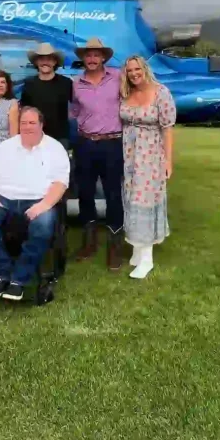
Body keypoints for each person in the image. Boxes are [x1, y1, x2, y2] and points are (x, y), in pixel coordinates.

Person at [0, 106, 70, 301]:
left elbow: (61, 183)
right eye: (24, 123)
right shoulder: (6, 146)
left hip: (38, 200)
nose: (27, 127)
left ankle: (19, 279)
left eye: (32, 123)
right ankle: (1, 273)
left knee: (44, 225)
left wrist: (45, 205)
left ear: (41, 124)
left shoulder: (55, 148)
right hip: (3, 199)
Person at [69, 36, 124, 270]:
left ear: (103, 57)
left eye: (95, 55)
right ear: (83, 58)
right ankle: (89, 243)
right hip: (85, 144)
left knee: (113, 194)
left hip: (112, 144)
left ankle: (115, 247)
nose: (91, 59)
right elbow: (73, 111)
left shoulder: (118, 78)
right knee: (85, 193)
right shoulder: (75, 83)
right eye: (87, 55)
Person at [119, 54, 176, 279]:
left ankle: (147, 259)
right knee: (130, 198)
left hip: (150, 154)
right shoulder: (126, 92)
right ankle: (136, 249)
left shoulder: (161, 93)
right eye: (130, 70)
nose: (134, 74)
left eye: (137, 70)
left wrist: (168, 160)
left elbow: (168, 128)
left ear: (144, 69)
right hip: (128, 153)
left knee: (144, 201)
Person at [20, 43, 73, 147]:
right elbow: (24, 110)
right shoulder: (29, 84)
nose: (45, 62)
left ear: (54, 62)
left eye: (49, 59)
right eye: (41, 59)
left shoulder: (66, 83)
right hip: (35, 136)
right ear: (36, 62)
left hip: (60, 138)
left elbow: (77, 107)